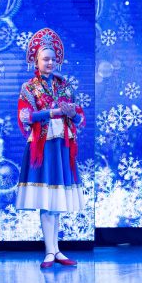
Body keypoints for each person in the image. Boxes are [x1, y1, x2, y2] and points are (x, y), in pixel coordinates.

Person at [16, 28, 85, 270]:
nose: (50, 63)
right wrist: (53, 112)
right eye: (45, 59)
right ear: (35, 60)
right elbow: (26, 117)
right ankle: (49, 250)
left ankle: (56, 249)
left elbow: (79, 117)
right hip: (43, 146)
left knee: (57, 200)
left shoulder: (64, 85)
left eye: (53, 59)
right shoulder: (29, 87)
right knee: (46, 199)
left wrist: (72, 114)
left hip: (62, 146)